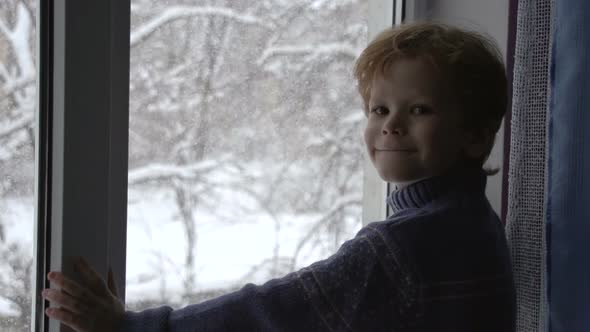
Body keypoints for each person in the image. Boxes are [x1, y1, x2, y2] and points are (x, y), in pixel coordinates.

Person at [42, 22, 516, 331]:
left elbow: (272, 315)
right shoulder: (474, 223)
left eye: (420, 109)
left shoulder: (403, 247)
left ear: (475, 135)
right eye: (379, 108)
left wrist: (132, 328)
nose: (391, 124)